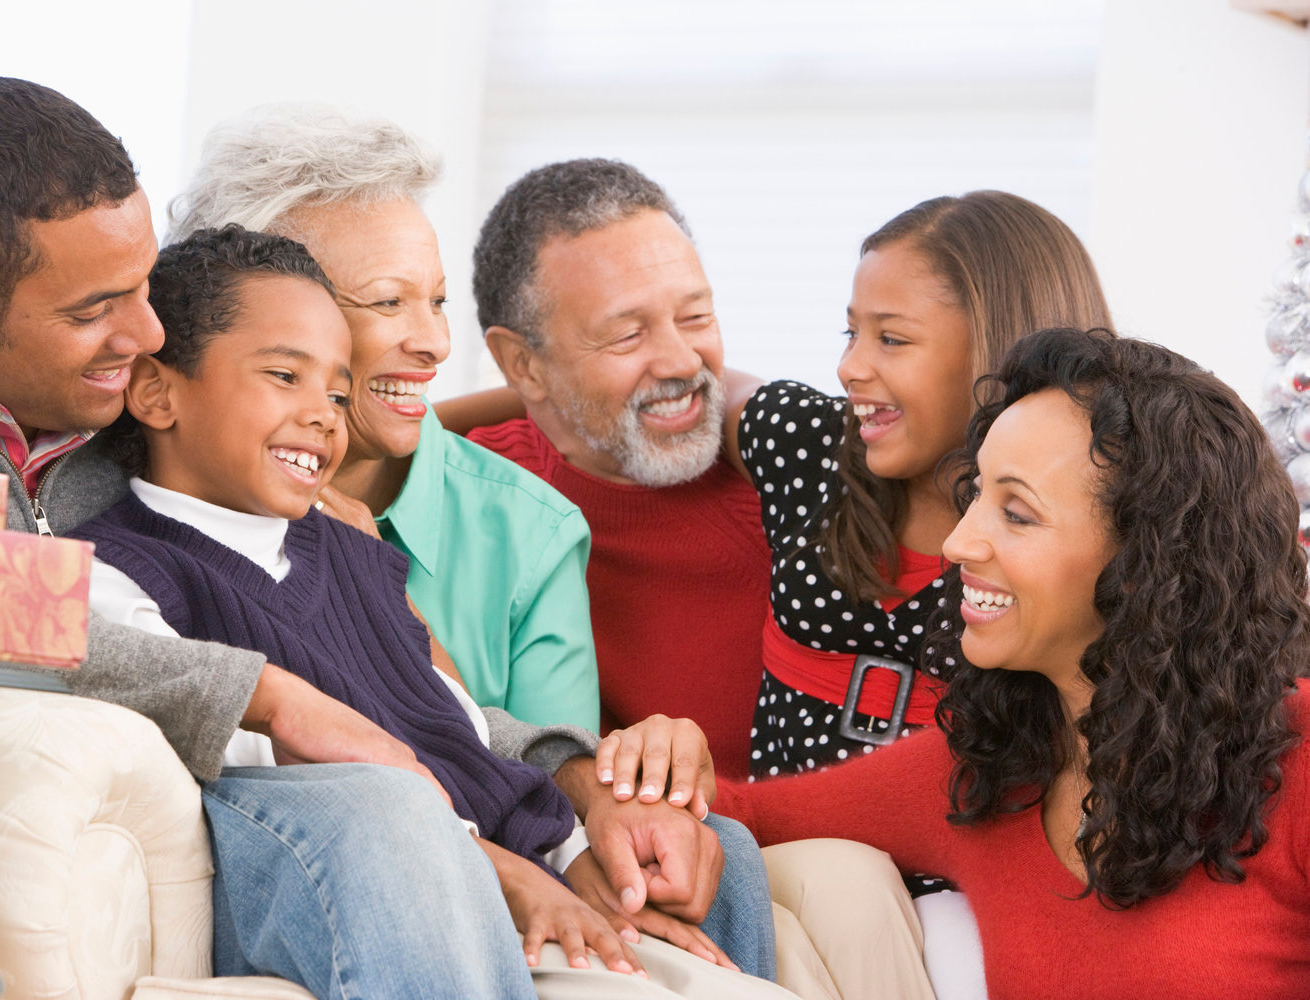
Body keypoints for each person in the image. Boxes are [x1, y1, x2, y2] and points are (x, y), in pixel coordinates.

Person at [0, 75, 761, 1000]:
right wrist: (271, 696)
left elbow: (433, 703)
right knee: (386, 813)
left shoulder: (203, 441)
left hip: (405, 797)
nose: (146, 331)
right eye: (95, 310)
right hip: (227, 798)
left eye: (146, 287)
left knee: (717, 851)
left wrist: (586, 784)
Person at [74, 225, 791, 997]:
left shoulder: (350, 548)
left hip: (502, 863)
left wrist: (580, 854)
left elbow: (461, 737)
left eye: (339, 392)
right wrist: (511, 877)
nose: (325, 415)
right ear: (155, 391)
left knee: (720, 848)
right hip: (369, 868)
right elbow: (296, 781)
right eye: (286, 376)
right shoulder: (117, 569)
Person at [713, 328, 1310, 1000]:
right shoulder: (989, 772)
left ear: (1148, 565)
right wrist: (609, 770)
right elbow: (744, 812)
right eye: (975, 497)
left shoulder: (1299, 760)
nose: (959, 541)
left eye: (1017, 514)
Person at [166, 105, 600, 734]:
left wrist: (373, 595)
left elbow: (563, 801)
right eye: (389, 301)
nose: (436, 343)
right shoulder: (126, 504)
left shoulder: (531, 535)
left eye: (438, 302)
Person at [724, 191, 1111, 778]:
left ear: (999, 351)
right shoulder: (807, 442)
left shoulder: (1095, 521)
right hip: (774, 847)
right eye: (850, 332)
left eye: (891, 339)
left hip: (951, 862)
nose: (848, 367)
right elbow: (699, 388)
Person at [467, 158, 770, 782]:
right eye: (628, 336)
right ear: (522, 366)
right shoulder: (470, 489)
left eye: (695, 317)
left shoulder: (780, 479)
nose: (683, 361)